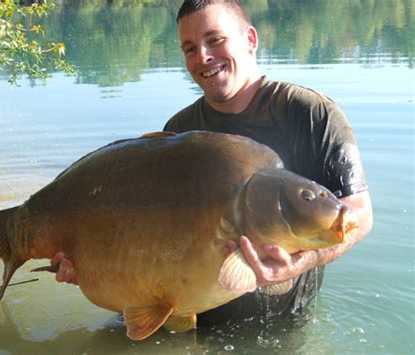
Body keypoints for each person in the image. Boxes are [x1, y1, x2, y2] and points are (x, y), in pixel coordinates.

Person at [52, 0, 373, 325]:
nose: (202, 57)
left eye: (215, 40)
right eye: (190, 48)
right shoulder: (179, 132)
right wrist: (89, 260)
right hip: (192, 310)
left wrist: (300, 263)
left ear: (249, 40)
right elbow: (143, 231)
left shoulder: (310, 114)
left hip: (281, 318)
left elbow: (359, 214)